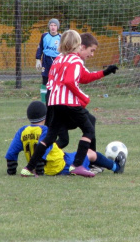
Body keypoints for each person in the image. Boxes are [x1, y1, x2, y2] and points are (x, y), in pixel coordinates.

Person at [25, 30, 119, 177]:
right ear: (79, 46)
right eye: (91, 50)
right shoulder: (75, 60)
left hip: (53, 103)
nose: (92, 54)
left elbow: (83, 77)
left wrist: (105, 72)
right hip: (68, 103)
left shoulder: (58, 60)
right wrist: (83, 97)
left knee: (50, 137)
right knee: (88, 130)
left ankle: (29, 168)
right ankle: (77, 165)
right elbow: (70, 81)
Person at [5, 101, 125, 176]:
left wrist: (11, 170)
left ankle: (95, 165)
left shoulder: (22, 131)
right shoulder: (46, 130)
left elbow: (11, 153)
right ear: (46, 116)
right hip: (60, 165)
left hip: (49, 162)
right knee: (91, 153)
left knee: (75, 153)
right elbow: (43, 150)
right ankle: (117, 167)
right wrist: (40, 170)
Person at [35, 19, 61, 86]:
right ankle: (44, 96)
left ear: (57, 27)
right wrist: (38, 59)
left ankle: (54, 95)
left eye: (55, 25)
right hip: (45, 60)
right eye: (51, 25)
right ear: (49, 26)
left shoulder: (61, 37)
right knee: (45, 79)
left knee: (56, 79)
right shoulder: (44, 35)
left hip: (56, 60)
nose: (53, 27)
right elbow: (40, 47)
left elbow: (64, 50)